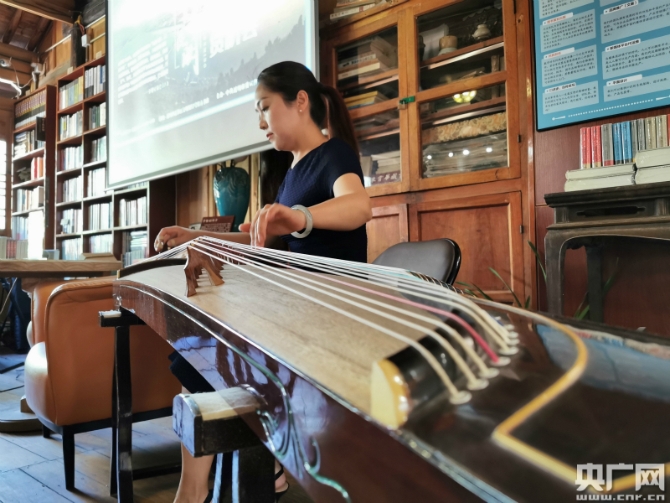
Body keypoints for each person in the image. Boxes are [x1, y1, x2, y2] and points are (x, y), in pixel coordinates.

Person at [154, 61, 372, 503]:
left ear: (300, 102)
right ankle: (221, 480)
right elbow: (262, 237)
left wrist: (299, 217)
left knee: (206, 352)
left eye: (264, 107)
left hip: (323, 315)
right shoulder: (292, 172)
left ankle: (213, 484)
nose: (260, 123)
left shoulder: (334, 155)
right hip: (292, 307)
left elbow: (358, 206)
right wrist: (195, 236)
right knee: (197, 352)